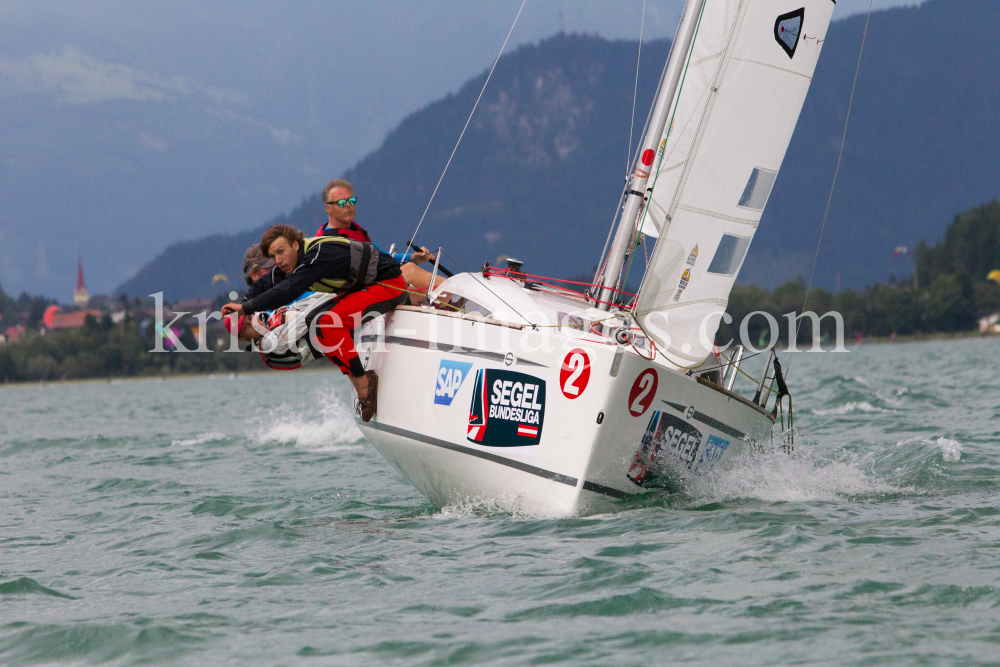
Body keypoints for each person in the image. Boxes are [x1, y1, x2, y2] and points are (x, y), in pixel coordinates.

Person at [221, 225, 406, 421]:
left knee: (327, 323)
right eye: (273, 256)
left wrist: (246, 308)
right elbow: (267, 283)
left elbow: (287, 290)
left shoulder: (316, 257)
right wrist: (242, 305)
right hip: (367, 287)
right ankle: (359, 379)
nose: (278, 261)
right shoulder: (294, 260)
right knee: (317, 327)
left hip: (388, 284)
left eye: (281, 252)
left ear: (295, 244)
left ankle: (363, 384)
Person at [318, 179, 445, 303]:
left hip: (372, 284)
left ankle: (450, 306)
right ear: (327, 208)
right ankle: (456, 293)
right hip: (353, 294)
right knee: (410, 271)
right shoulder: (326, 242)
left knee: (417, 291)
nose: (348, 205)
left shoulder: (355, 231)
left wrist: (412, 257)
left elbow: (383, 256)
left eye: (351, 201)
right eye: (341, 203)